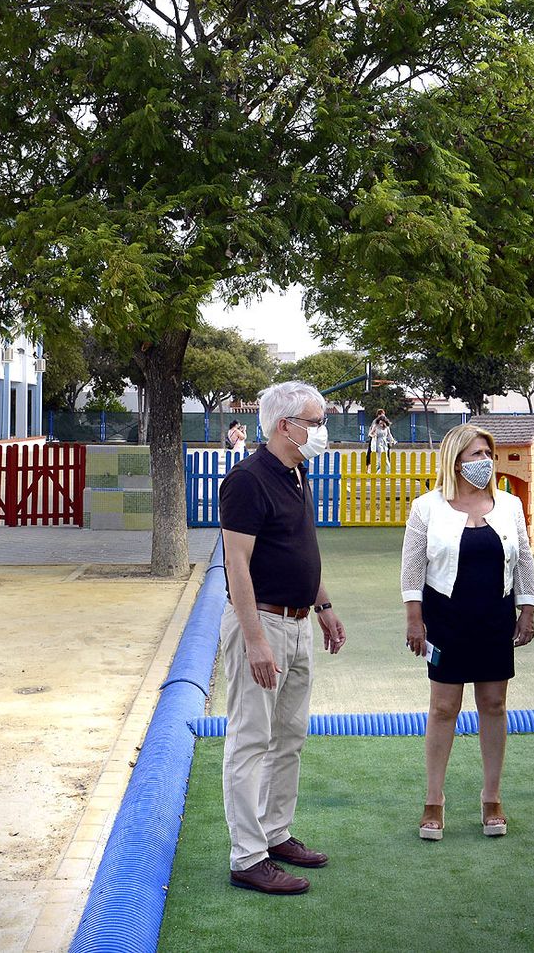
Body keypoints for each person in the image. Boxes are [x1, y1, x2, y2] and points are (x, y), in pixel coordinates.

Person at [218, 380, 347, 895]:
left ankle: (275, 834)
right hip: (264, 624)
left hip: (298, 623)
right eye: (315, 422)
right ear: (283, 426)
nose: (322, 430)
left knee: (289, 736)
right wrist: (255, 641)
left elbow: (298, 548)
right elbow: (238, 565)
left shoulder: (296, 473)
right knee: (251, 739)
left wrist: (324, 604)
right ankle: (247, 856)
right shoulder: (246, 480)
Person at [401, 423, 534, 840]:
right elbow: (413, 565)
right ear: (455, 461)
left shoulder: (509, 505)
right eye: (475, 455)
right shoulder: (427, 507)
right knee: (443, 706)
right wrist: (414, 618)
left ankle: (492, 797)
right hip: (445, 616)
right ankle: (433, 800)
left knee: (494, 704)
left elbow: (524, 559)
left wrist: (527, 608)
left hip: (495, 616)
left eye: (487, 454)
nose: (485, 463)